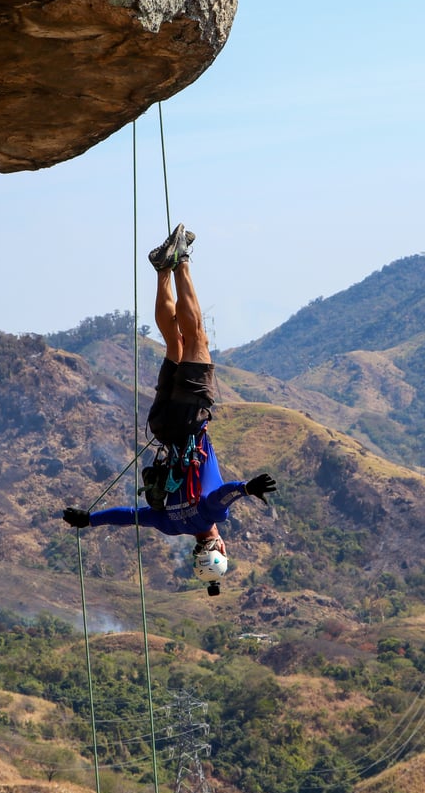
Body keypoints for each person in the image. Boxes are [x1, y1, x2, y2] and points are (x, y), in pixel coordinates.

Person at [63, 223, 276, 595]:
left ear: (220, 547)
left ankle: (181, 262)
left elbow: (221, 495)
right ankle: (163, 269)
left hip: (188, 419)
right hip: (161, 425)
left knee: (196, 339)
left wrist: (247, 488)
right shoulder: (169, 525)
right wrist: (88, 520)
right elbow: (127, 517)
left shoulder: (212, 515)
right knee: (174, 344)